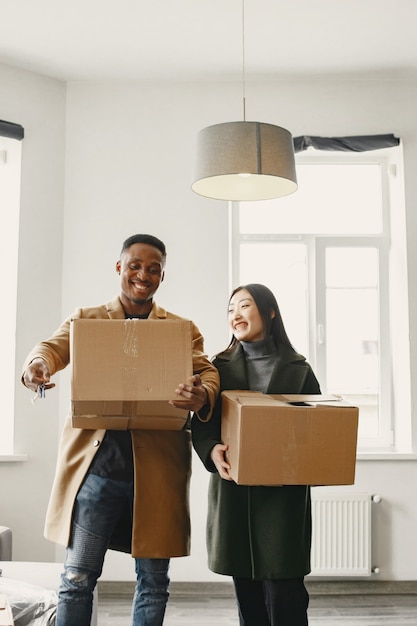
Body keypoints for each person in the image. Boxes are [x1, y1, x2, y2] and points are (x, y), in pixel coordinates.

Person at [21, 233, 220, 626]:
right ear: (119, 268)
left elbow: (207, 371)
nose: (143, 275)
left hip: (158, 476)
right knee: (77, 578)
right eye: (135, 265)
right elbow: (50, 348)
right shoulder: (87, 319)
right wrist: (36, 367)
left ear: (162, 277)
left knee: (153, 582)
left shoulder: (181, 329)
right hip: (98, 474)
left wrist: (202, 394)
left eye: (153, 269)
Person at [192, 283, 321, 626]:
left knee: (286, 596)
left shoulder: (299, 369)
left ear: (270, 312)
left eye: (244, 306)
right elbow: (201, 425)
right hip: (235, 491)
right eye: (230, 309)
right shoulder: (215, 368)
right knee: (248, 598)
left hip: (282, 499)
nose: (235, 314)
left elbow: (318, 429)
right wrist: (212, 451)